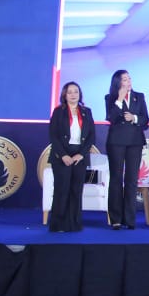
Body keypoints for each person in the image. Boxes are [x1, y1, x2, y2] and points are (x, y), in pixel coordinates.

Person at [48, 81, 94, 233]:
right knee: (62, 190)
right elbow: (53, 136)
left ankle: (74, 224)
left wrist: (81, 154)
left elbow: (91, 136)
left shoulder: (87, 112)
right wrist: (63, 155)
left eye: (76, 91)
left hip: (79, 155)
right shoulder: (58, 112)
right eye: (70, 92)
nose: (73, 95)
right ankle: (58, 224)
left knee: (76, 190)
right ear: (64, 95)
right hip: (61, 155)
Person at [105, 69, 148, 230]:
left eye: (129, 79)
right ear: (118, 82)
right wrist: (119, 99)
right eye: (124, 79)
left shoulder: (139, 96)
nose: (128, 82)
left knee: (131, 180)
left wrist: (134, 118)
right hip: (116, 142)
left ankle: (129, 219)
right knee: (116, 179)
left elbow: (145, 119)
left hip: (135, 142)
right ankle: (116, 218)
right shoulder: (110, 98)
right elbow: (111, 117)